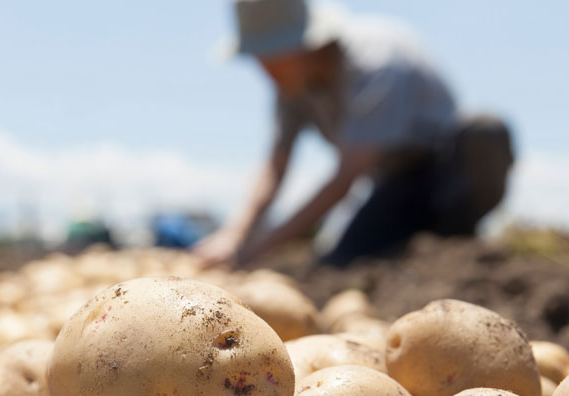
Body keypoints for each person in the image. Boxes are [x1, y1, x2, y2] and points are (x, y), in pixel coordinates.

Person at [192, 0, 514, 268]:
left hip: (445, 166)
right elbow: (275, 167)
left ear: (303, 42)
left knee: (485, 134)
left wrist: (260, 247)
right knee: (341, 260)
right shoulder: (291, 88)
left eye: (271, 57)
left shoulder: (375, 61)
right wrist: (235, 234)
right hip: (393, 183)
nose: (264, 70)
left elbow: (345, 178)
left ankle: (459, 239)